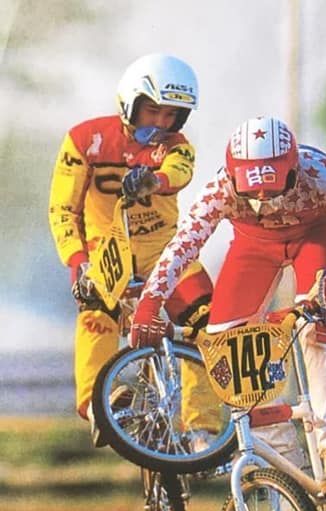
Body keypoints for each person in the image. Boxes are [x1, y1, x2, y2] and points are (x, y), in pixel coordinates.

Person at [129, 115, 326, 489]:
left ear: (294, 168)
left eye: (273, 186)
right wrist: (151, 300)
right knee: (225, 339)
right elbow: (185, 243)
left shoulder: (322, 174)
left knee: (316, 319)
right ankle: (281, 458)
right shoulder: (220, 188)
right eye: (252, 190)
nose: (263, 198)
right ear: (234, 177)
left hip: (317, 233)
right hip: (256, 246)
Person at [48, 53, 215, 443]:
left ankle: (203, 426)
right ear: (130, 102)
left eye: (171, 115)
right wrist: (77, 262)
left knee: (207, 320)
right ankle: (98, 407)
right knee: (96, 315)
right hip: (106, 251)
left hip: (166, 252)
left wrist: (154, 181)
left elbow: (180, 171)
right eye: (152, 111)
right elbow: (62, 208)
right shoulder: (82, 139)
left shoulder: (178, 146)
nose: (160, 123)